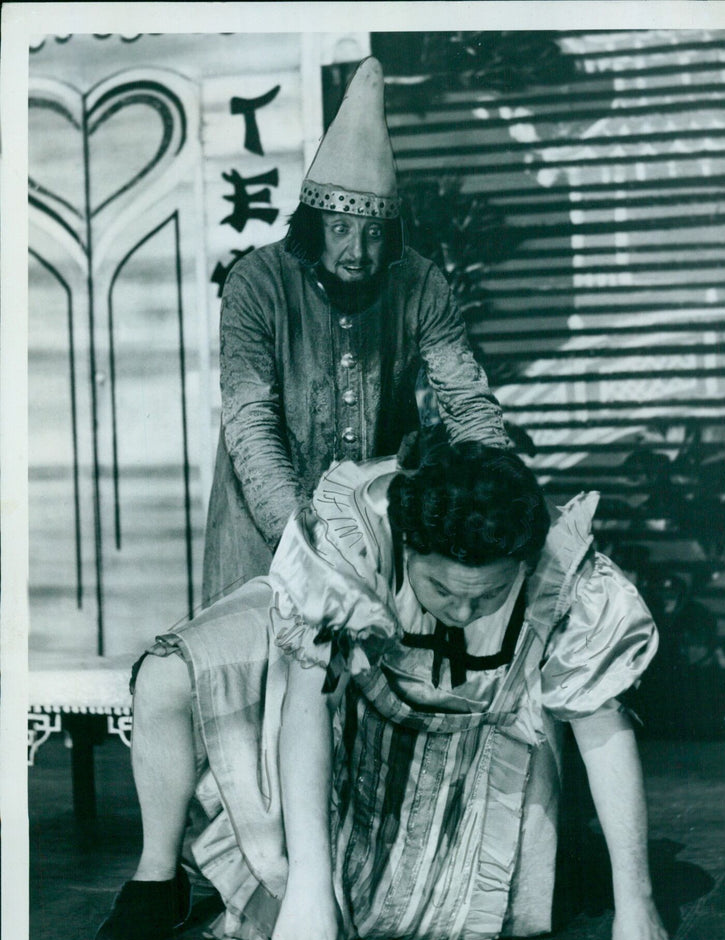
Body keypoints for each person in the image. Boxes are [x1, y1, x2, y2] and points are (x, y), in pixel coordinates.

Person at [94, 439, 679, 940]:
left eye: (488, 595)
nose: (463, 610)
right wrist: (308, 885)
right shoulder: (351, 536)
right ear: (409, 546)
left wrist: (637, 905)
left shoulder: (566, 569)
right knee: (166, 674)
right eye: (443, 591)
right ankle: (157, 877)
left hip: (472, 712)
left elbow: (602, 724)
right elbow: (308, 702)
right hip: (345, 676)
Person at [202, 55, 510, 605]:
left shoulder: (420, 281)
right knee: (260, 669)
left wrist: (499, 495)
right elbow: (251, 422)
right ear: (312, 221)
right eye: (340, 228)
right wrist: (303, 538)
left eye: (372, 233)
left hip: (381, 527)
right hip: (264, 532)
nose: (357, 252)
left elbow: (466, 401)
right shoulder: (255, 283)